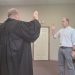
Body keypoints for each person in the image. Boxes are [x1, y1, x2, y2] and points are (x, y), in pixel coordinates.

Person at [0, 8, 41, 75]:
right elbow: (32, 33)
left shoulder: (1, 27)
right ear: (16, 15)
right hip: (17, 62)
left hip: (4, 61)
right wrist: (35, 19)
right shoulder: (18, 25)